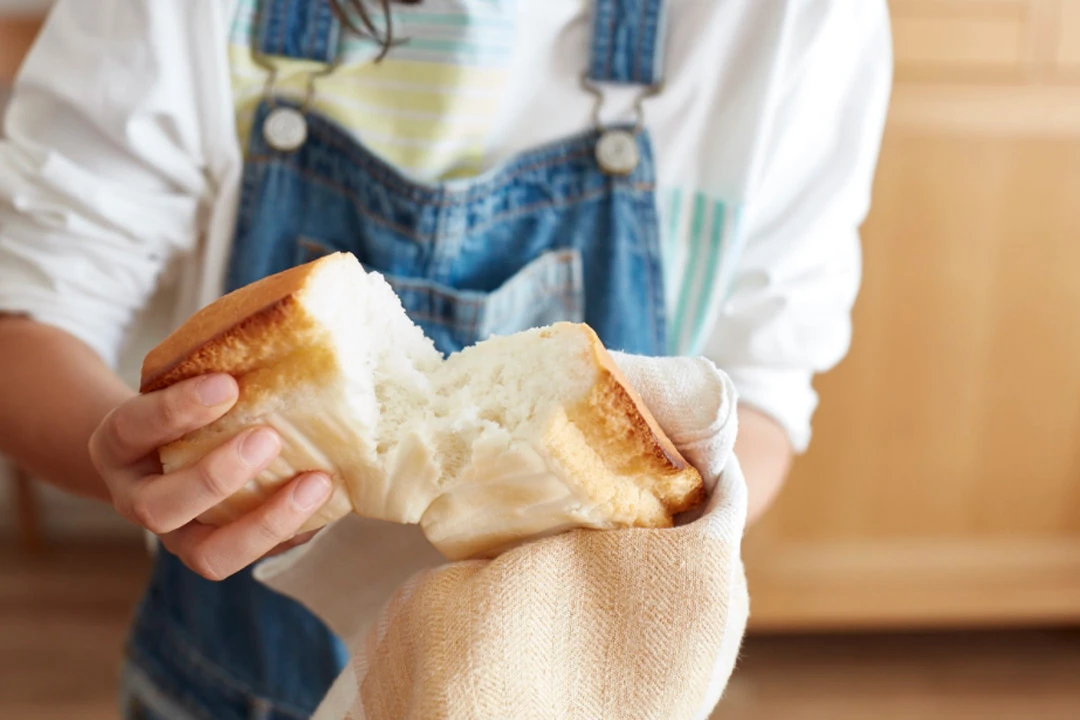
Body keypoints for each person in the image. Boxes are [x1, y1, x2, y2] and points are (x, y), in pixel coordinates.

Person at [0, 0, 891, 717]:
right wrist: (120, 452)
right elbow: (26, 321)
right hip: (231, 684)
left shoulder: (790, 24)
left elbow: (765, 397)